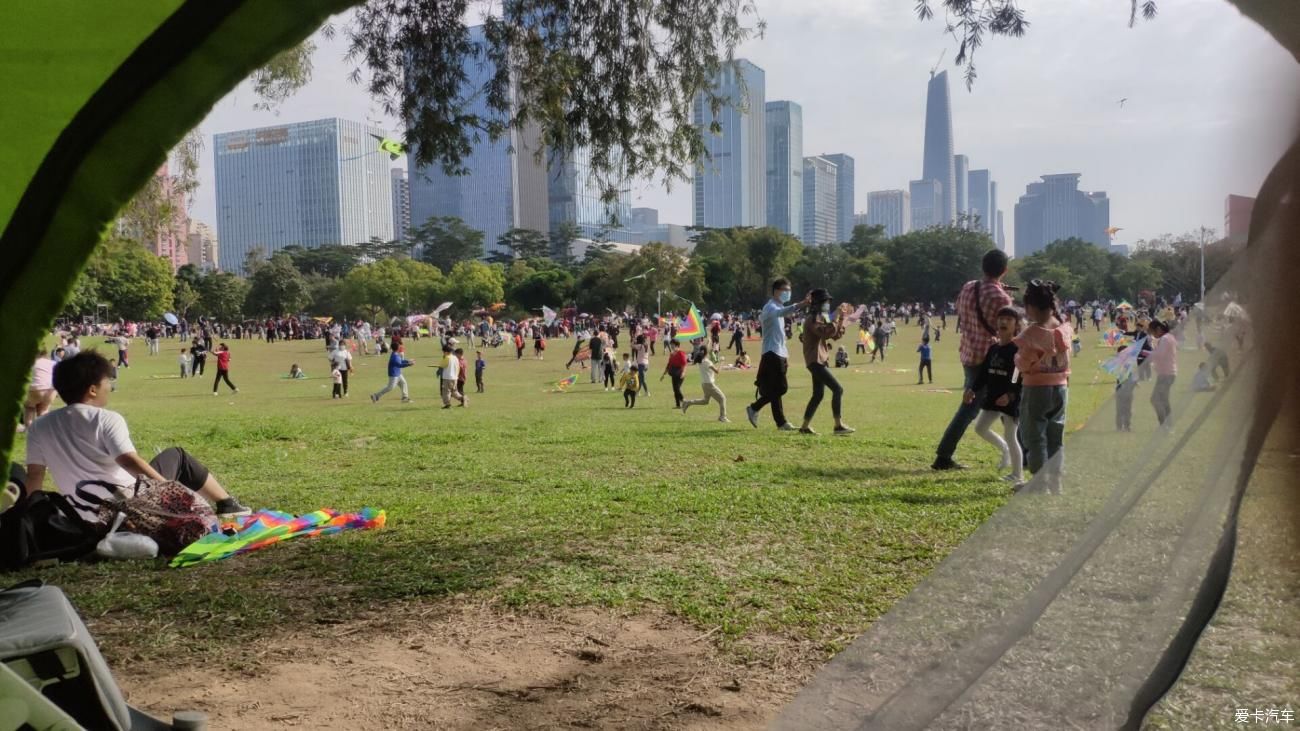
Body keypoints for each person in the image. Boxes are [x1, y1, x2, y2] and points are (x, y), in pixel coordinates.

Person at [23, 351, 251, 523]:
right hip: (129, 508)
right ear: (93, 389)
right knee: (177, 457)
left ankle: (226, 503)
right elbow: (130, 462)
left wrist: (28, 518)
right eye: (107, 382)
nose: (109, 387)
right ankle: (227, 503)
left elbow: (34, 476)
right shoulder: (105, 418)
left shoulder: (39, 426)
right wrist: (173, 491)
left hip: (84, 518)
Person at [933, 249, 1015, 471]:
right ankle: (943, 456)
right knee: (974, 408)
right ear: (1004, 271)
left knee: (990, 404)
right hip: (989, 358)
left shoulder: (969, 286)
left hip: (968, 352)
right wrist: (1004, 297)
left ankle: (1016, 451)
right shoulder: (1001, 298)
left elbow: (961, 308)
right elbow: (1009, 327)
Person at [1013, 280, 1073, 495]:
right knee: (1055, 435)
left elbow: (1023, 362)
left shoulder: (1032, 333)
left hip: (1037, 388)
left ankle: (1039, 483)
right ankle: (1056, 483)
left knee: (1034, 436)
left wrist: (1017, 358)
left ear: (1031, 307)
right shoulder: (1063, 328)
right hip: (1061, 387)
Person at [967, 306, 1025, 485]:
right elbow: (984, 373)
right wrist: (972, 389)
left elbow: (1017, 374)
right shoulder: (993, 348)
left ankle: (1017, 475)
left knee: (1011, 435)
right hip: (992, 398)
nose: (1003, 322)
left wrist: (1010, 394)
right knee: (980, 428)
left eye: (1008, 319)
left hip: (1009, 400)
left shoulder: (1016, 349)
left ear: (1016, 325)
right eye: (1001, 318)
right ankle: (1004, 450)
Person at [798, 289, 855, 436]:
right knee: (838, 389)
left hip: (819, 360)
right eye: (826, 302)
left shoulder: (819, 318)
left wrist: (841, 318)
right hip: (815, 360)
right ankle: (838, 426)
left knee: (818, 395)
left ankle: (804, 427)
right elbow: (824, 332)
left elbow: (834, 335)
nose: (828, 305)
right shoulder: (812, 318)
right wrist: (836, 316)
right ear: (818, 303)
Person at [681, 345, 728, 422]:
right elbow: (717, 371)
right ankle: (722, 417)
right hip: (709, 384)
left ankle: (687, 402)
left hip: (704, 384)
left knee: (705, 401)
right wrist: (722, 362)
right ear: (706, 352)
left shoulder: (700, 360)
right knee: (722, 398)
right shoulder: (707, 361)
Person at [1148, 319, 1178, 426]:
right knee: (1164, 399)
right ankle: (1168, 425)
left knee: (1155, 399)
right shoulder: (1169, 337)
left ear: (1159, 329)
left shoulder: (1165, 339)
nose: (1153, 335)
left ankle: (1165, 424)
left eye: (1153, 332)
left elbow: (1160, 355)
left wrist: (1145, 354)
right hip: (1168, 373)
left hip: (1166, 374)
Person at [23, 350, 56, 429]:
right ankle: (43, 430)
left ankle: (30, 429)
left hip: (36, 389)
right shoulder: (53, 363)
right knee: (44, 410)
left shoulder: (32, 363)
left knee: (29, 407)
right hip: (51, 389)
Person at [1115, 346, 1138, 432]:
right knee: (1120, 409)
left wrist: (1135, 382)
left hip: (1129, 390)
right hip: (1120, 389)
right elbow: (1119, 375)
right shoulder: (1118, 364)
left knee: (1128, 409)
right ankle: (1119, 426)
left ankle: (1127, 425)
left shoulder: (1130, 363)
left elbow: (1132, 375)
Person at [661, 339, 688, 408]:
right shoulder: (672, 354)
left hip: (680, 373)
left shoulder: (681, 353)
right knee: (675, 389)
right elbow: (669, 364)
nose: (671, 346)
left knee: (677, 388)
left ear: (676, 345)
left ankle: (684, 401)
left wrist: (683, 373)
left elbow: (684, 364)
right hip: (673, 373)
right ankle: (678, 405)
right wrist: (664, 374)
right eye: (671, 344)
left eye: (672, 344)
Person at [439, 343, 466, 409]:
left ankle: (447, 404)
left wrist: (443, 359)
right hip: (454, 378)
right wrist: (456, 376)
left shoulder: (447, 358)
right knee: (454, 392)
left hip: (447, 377)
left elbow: (442, 365)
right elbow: (458, 368)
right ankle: (463, 398)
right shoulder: (455, 358)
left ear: (445, 352)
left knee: (446, 391)